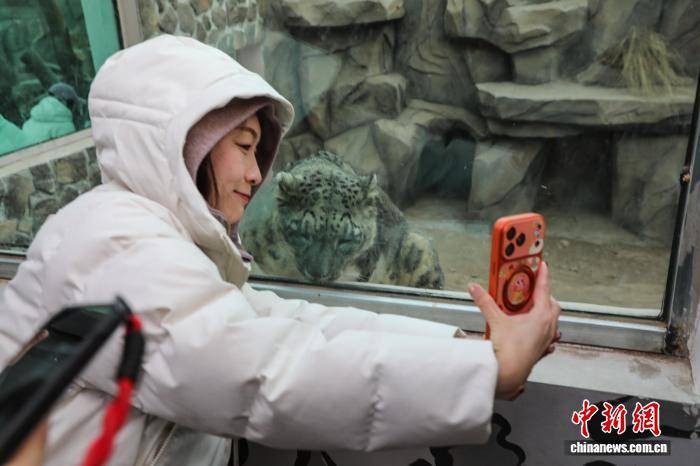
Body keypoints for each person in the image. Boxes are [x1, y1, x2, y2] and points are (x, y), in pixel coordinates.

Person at [0, 35, 560, 465]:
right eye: (245, 147)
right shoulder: (113, 245)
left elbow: (290, 322)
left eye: (259, 152)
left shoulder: (159, 242)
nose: (257, 174)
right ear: (186, 144)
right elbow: (265, 372)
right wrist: (485, 374)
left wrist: (465, 349)